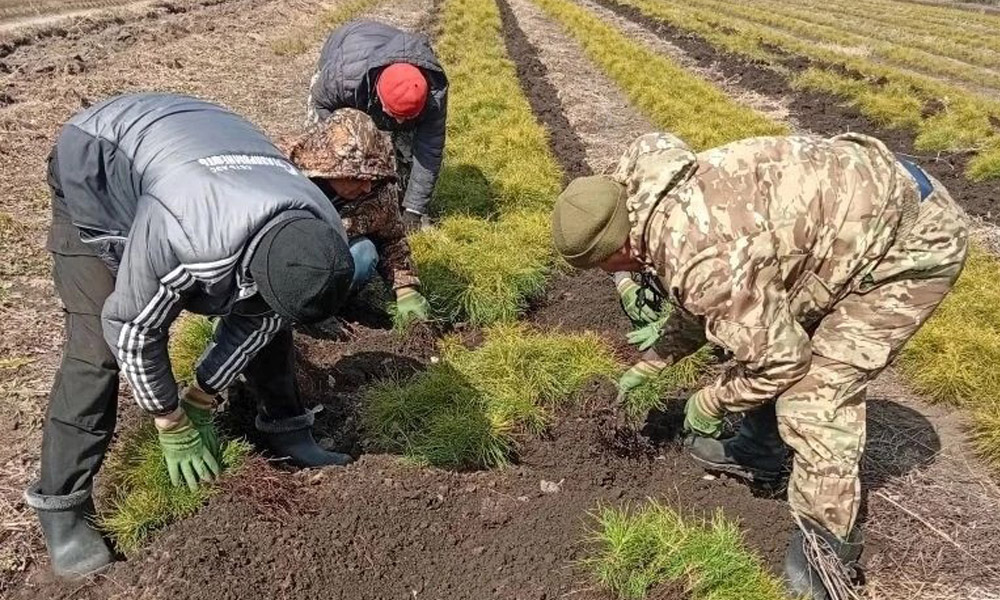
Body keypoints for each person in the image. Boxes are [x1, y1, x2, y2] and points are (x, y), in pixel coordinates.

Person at [550, 131, 968, 599]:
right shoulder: (648, 197)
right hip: (848, 218)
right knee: (760, 329)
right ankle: (761, 452)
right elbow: (708, 302)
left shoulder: (699, 254)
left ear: (618, 250)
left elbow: (779, 359)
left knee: (814, 395)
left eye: (602, 266)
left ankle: (826, 544)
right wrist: (653, 362)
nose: (609, 275)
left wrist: (711, 402)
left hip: (911, 240)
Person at [26, 93, 357, 579]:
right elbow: (132, 326)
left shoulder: (322, 233)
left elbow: (263, 318)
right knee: (96, 349)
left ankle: (286, 427)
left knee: (276, 305)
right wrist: (170, 419)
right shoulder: (187, 234)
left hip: (196, 153)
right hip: (99, 160)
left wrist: (202, 395)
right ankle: (64, 509)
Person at [280, 108, 432, 325]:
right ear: (332, 169)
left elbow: (392, 239)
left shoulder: (378, 188)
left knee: (364, 252)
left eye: (372, 179)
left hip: (334, 254)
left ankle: (325, 308)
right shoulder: (286, 172)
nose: (367, 187)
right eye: (358, 178)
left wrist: (405, 289)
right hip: (286, 256)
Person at [307, 19, 448, 231]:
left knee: (403, 165)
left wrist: (414, 209)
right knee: (329, 150)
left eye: (407, 117)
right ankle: (321, 204)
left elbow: (429, 149)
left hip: (380, 54)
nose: (399, 122)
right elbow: (320, 104)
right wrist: (344, 156)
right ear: (380, 97)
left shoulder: (434, 94)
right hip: (345, 54)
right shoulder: (343, 78)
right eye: (395, 115)